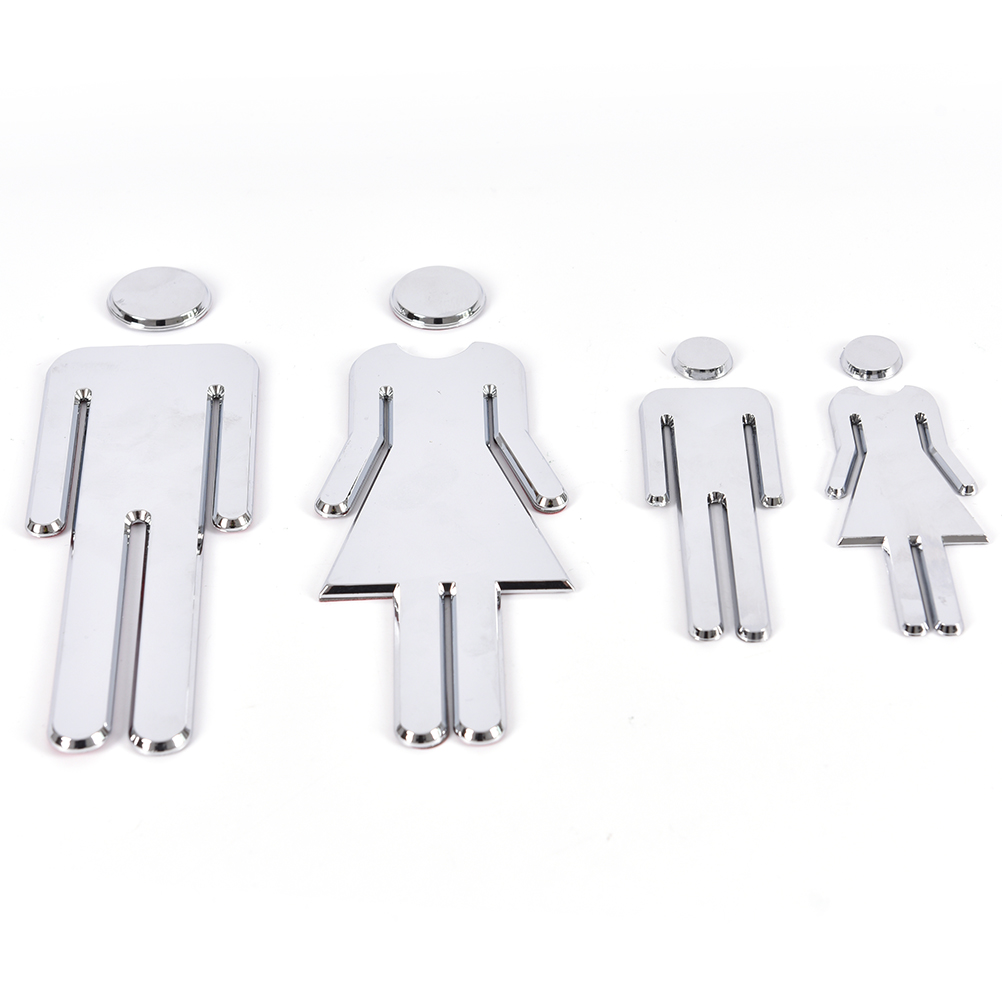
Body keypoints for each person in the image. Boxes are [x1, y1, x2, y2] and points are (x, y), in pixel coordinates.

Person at [317, 342, 570, 747]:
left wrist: (335, 497)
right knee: (437, 591)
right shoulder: (384, 365)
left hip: (449, 499)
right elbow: (365, 435)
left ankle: (464, 712)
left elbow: (512, 433)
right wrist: (547, 490)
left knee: (464, 591)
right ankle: (443, 714)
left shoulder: (485, 362)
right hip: (425, 499)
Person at [27, 345, 258, 752]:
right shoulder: (222, 359)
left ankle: (145, 716)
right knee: (100, 584)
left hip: (170, 495)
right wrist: (230, 505)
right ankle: (108, 716)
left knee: (152, 588)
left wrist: (45, 511)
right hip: (111, 496)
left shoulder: (81, 363)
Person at [827, 384, 986, 635]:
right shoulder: (847, 400)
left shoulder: (917, 397)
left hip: (915, 478)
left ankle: (945, 613)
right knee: (900, 541)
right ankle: (915, 613)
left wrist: (962, 480)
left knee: (930, 539)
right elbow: (849, 449)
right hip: (884, 479)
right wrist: (839, 482)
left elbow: (937, 446)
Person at [640, 387, 784, 641]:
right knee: (705, 542)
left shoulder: (660, 398)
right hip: (696, 478)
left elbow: (764, 434)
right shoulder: (749, 396)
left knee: (737, 539)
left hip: (731, 478)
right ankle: (712, 618)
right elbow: (653, 436)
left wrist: (658, 489)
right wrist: (772, 490)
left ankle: (745, 619)